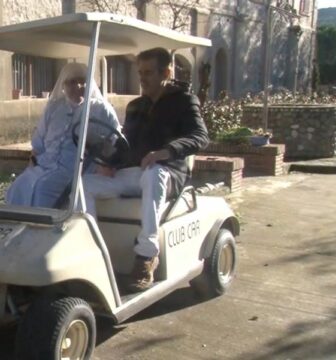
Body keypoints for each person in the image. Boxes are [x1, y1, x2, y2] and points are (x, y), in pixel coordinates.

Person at [83, 47, 209, 292]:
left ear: (167, 71)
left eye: (148, 72)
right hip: (136, 172)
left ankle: (146, 256)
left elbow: (200, 136)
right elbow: (127, 145)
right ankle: (92, 247)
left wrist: (165, 152)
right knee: (84, 183)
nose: (142, 78)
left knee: (154, 172)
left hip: (169, 171)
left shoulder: (184, 101)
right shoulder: (135, 106)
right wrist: (111, 162)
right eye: (140, 72)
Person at [5, 62, 120, 208]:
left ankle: (42, 229)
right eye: (72, 82)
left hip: (75, 169)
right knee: (16, 187)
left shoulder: (101, 109)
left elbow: (115, 140)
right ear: (64, 85)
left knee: (43, 189)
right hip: (45, 165)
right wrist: (33, 162)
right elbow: (39, 142)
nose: (78, 86)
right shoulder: (54, 108)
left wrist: (103, 163)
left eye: (82, 82)